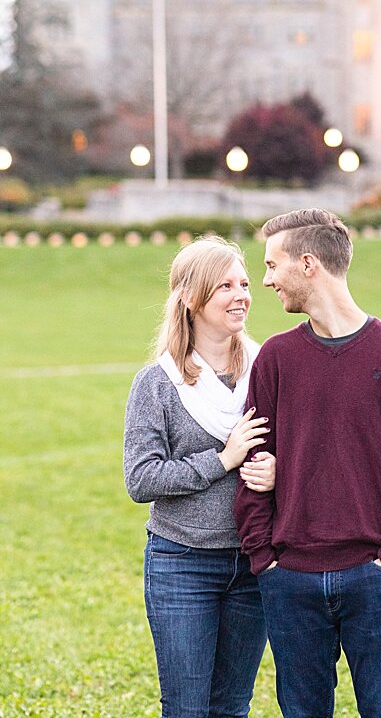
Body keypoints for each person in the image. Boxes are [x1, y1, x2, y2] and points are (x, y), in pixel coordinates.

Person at [234, 208, 381, 718]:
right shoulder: (276, 359)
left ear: (308, 264)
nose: (265, 281)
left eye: (272, 265)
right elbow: (252, 462)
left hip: (377, 578)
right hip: (291, 579)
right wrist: (266, 559)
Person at [123, 235, 278, 718]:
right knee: (187, 708)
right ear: (191, 298)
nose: (242, 295)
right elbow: (141, 479)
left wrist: (277, 469)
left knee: (232, 706)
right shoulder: (157, 384)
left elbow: (297, 450)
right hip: (181, 564)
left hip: (253, 563)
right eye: (225, 286)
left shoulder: (268, 370)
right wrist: (222, 460)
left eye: (245, 283)